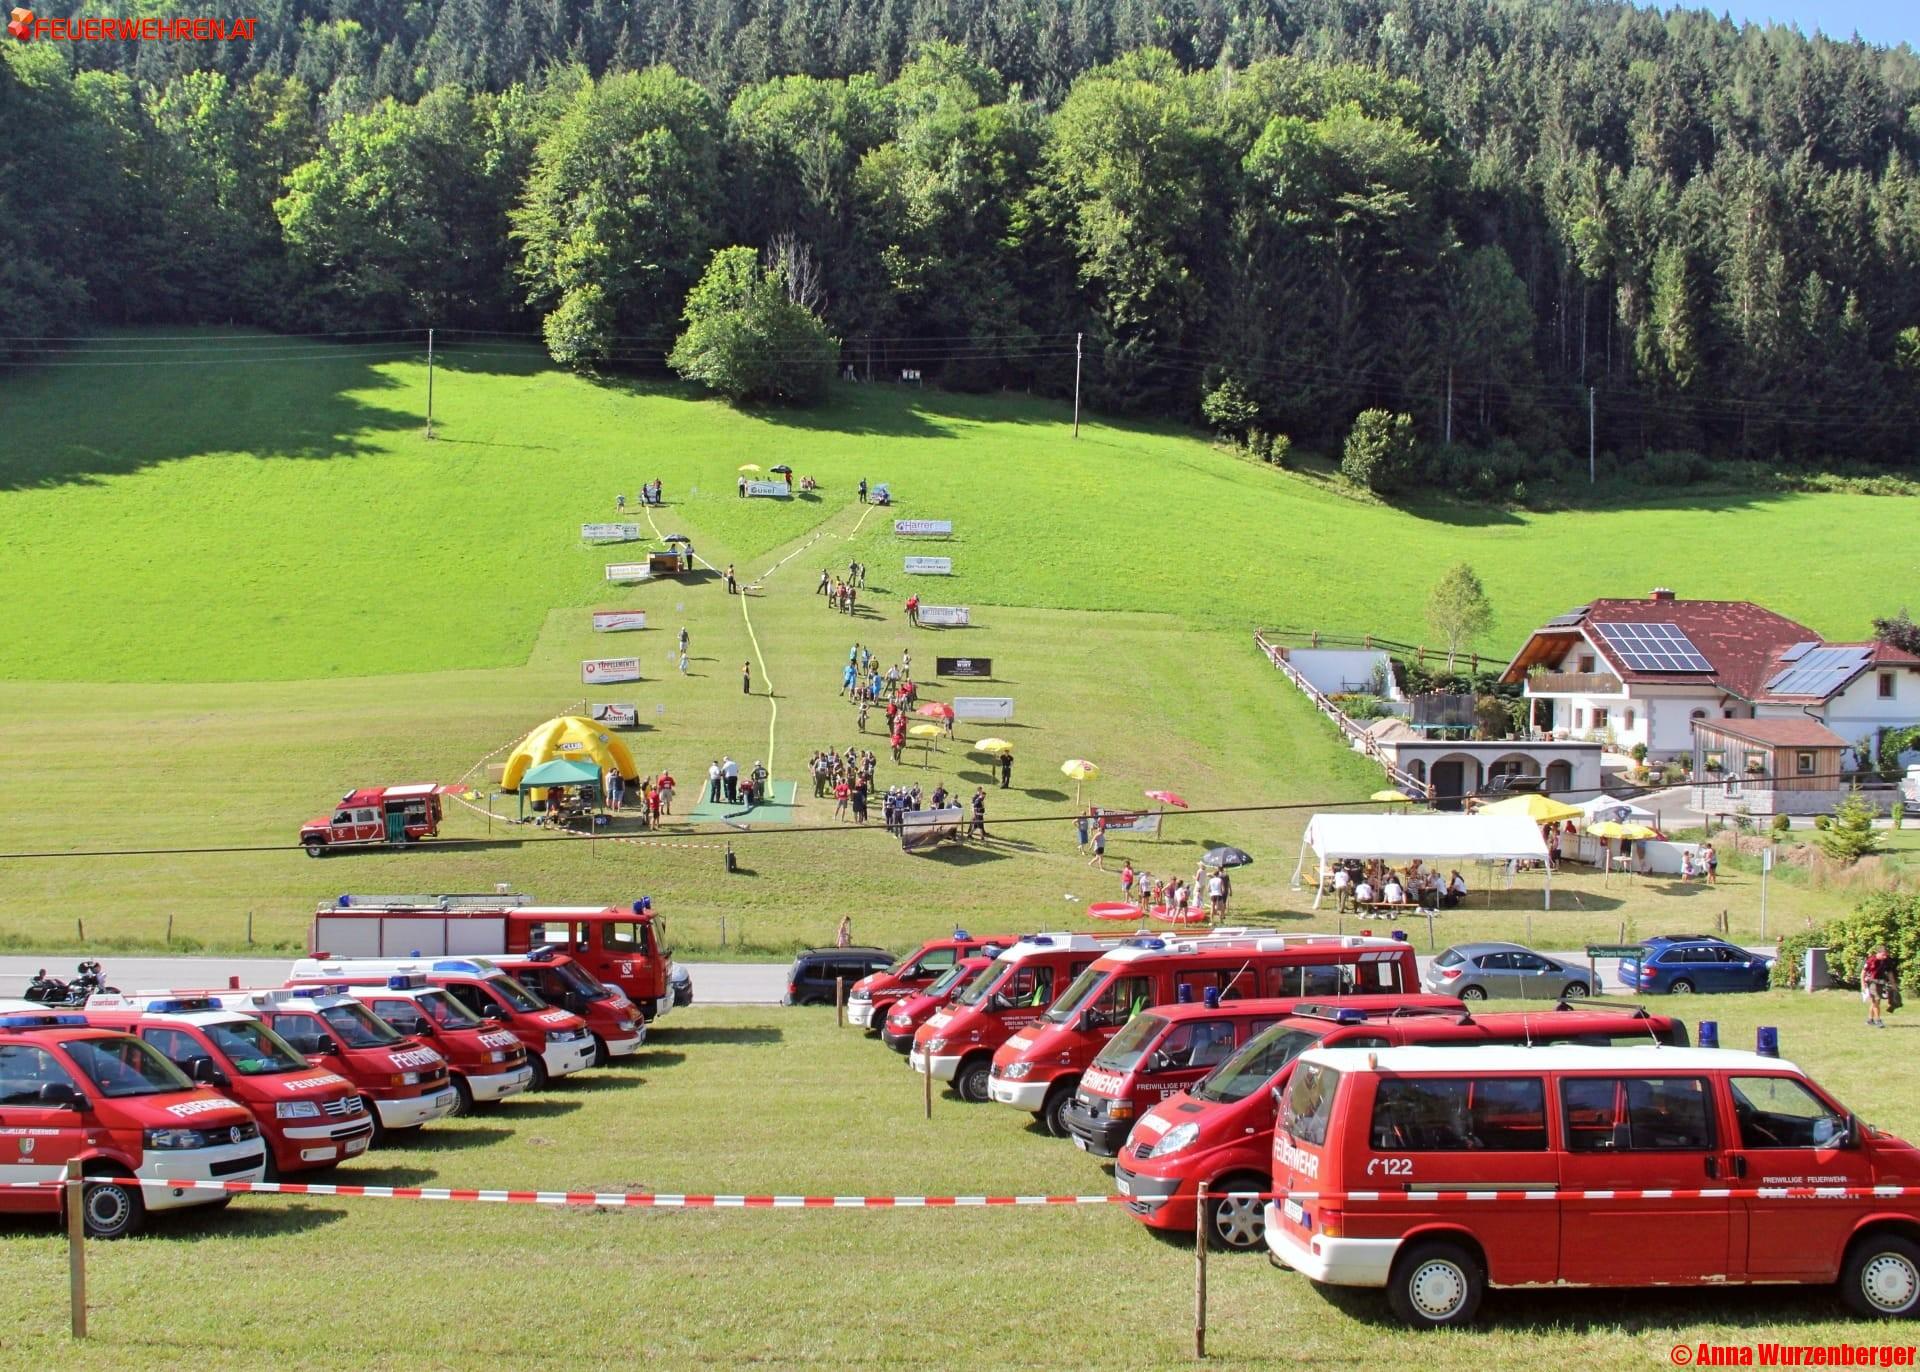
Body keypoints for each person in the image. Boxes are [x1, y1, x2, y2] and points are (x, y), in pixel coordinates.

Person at [1863, 944, 1895, 1028]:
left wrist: (1893, 984)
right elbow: (1863, 973)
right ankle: (1878, 1020)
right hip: (1871, 983)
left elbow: (1890, 973)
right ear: (1878, 953)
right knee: (1876, 1000)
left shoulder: (1886, 961)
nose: (1885, 957)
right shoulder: (1871, 960)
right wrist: (1863, 985)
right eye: (1883, 955)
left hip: (1881, 983)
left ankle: (1870, 1020)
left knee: (1875, 1002)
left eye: (1886, 955)